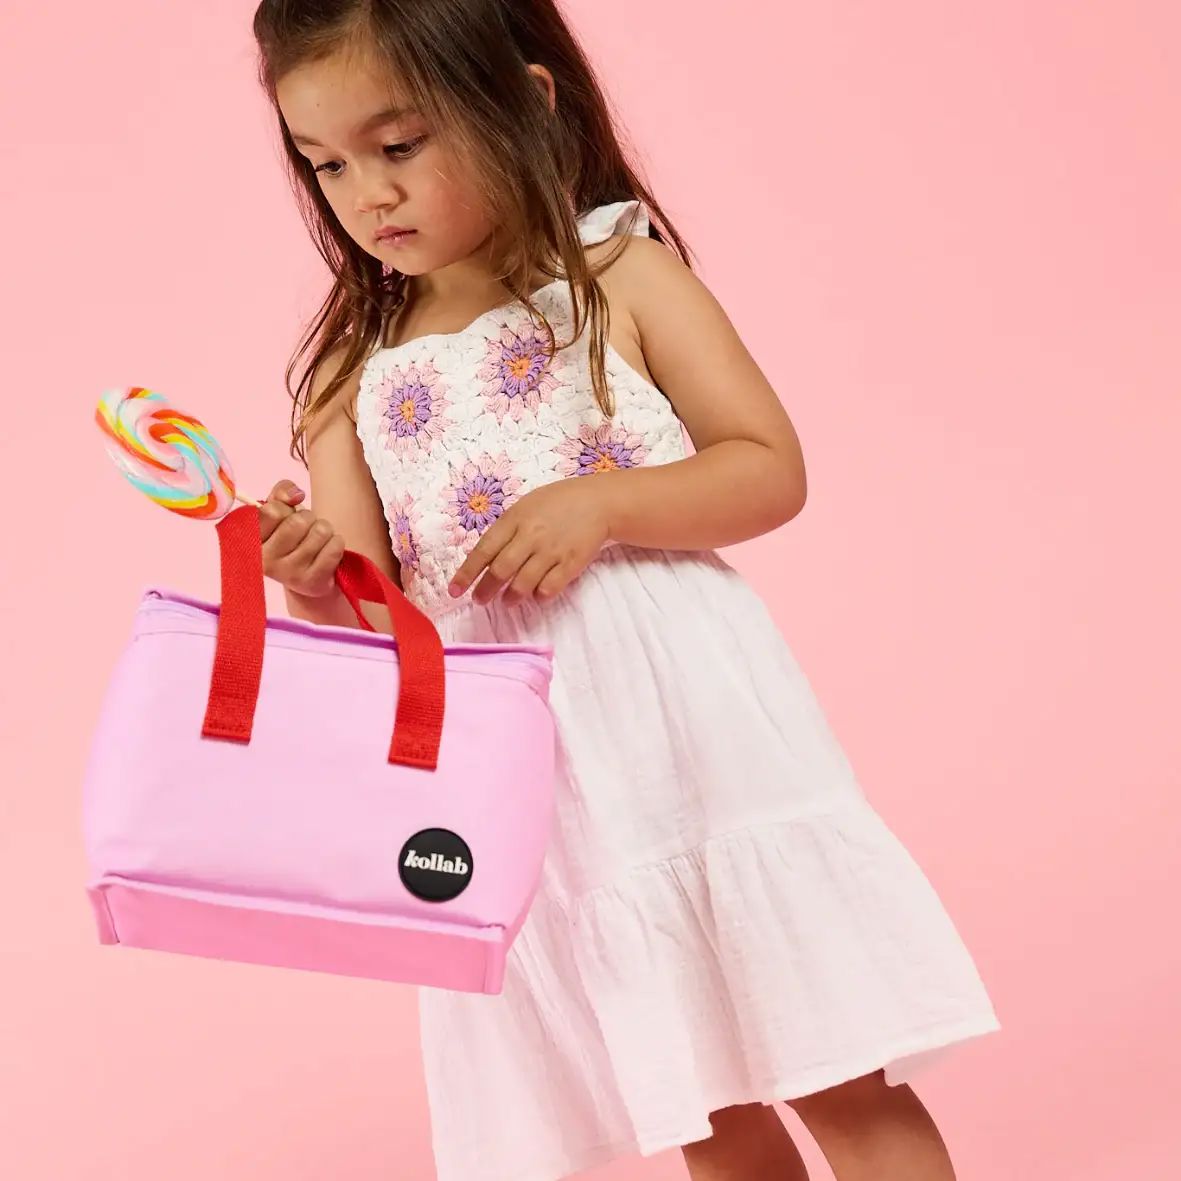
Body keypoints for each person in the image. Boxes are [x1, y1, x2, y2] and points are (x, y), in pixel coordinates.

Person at [249, 2, 1000, 1178]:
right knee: (693, 1095)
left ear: (525, 102)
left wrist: (601, 505)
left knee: (830, 1063)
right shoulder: (354, 367)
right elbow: (372, 614)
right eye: (326, 164)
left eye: (397, 145)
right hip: (529, 770)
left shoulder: (615, 276)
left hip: (681, 726)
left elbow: (766, 465)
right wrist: (309, 579)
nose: (366, 194)